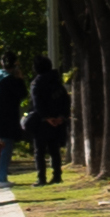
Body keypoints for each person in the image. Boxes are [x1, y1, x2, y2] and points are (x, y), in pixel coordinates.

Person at [0, 52, 29, 186]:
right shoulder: (11, 80)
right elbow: (23, 93)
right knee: (6, 146)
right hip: (8, 117)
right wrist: (20, 79)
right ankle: (1, 177)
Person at [25, 55, 70, 185]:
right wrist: (61, 117)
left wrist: (47, 117)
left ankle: (41, 178)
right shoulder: (56, 81)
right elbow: (65, 100)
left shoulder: (37, 83)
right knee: (54, 150)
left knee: (39, 151)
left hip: (42, 122)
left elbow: (37, 103)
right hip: (58, 121)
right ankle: (57, 175)